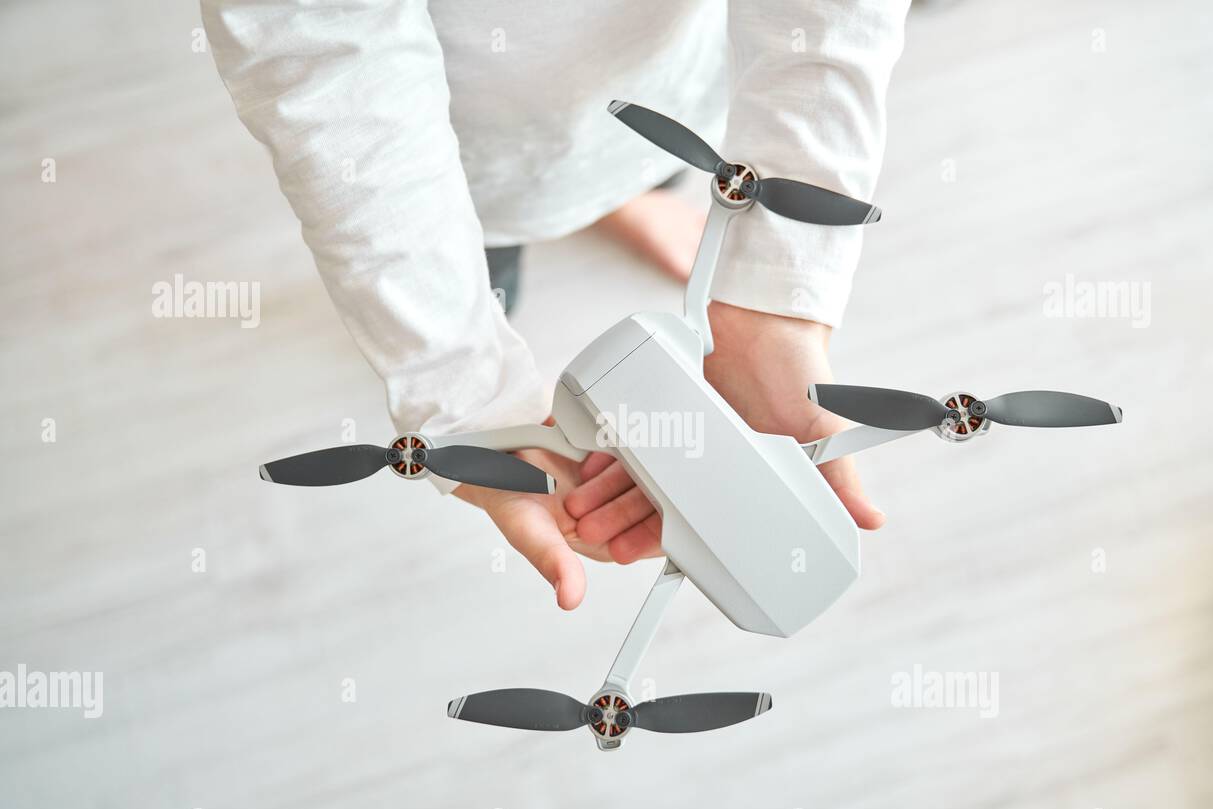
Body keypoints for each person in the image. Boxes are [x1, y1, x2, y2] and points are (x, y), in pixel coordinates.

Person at [202, 0, 909, 609]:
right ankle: (592, 204)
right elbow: (332, 70)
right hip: (466, 172)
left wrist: (776, 293)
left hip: (667, 94)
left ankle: (626, 198)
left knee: (654, 164)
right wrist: (464, 386)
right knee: (488, 275)